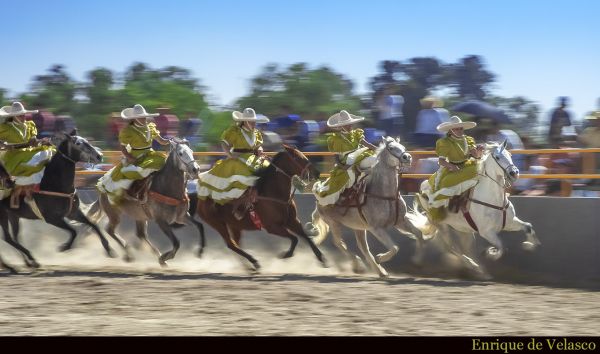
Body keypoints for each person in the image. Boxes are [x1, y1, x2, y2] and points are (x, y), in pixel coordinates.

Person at [196, 108, 270, 219]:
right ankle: (241, 204)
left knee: (269, 170)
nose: (254, 123)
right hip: (238, 158)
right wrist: (230, 155)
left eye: (254, 121)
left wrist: (259, 149)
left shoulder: (256, 133)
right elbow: (224, 143)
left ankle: (260, 200)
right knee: (245, 175)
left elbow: (258, 145)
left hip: (253, 158)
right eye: (251, 121)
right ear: (244, 121)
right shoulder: (235, 131)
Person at [97, 104, 170, 206]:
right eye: (141, 117)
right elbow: (123, 147)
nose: (144, 118)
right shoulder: (128, 131)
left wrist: (172, 141)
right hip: (136, 156)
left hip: (150, 154)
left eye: (144, 116)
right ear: (135, 119)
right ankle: (130, 192)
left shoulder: (150, 127)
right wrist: (129, 157)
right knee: (138, 171)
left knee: (165, 162)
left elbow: (162, 141)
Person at [421, 116, 483, 222]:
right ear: (450, 130)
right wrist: (452, 166)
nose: (459, 131)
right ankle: (437, 204)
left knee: (481, 171)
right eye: (456, 129)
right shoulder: (444, 142)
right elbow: (441, 161)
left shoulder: (469, 140)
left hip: (468, 165)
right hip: (451, 167)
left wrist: (479, 152)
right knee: (445, 182)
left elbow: (476, 156)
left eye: (461, 128)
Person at [0, 102, 56, 216]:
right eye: (20, 115)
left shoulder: (30, 124)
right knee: (37, 159)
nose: (23, 117)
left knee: (50, 151)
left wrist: (39, 141)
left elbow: (33, 140)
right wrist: (3, 144)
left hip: (29, 152)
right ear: (13, 116)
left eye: (23, 114)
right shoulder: (4, 127)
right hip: (14, 156)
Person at [312, 110, 377, 206]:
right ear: (340, 126)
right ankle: (350, 194)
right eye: (347, 125)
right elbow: (336, 157)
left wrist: (381, 150)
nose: (350, 126)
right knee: (349, 177)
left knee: (375, 160)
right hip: (346, 161)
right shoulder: (335, 139)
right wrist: (342, 166)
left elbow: (368, 144)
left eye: (350, 124)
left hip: (361, 155)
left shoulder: (356, 134)